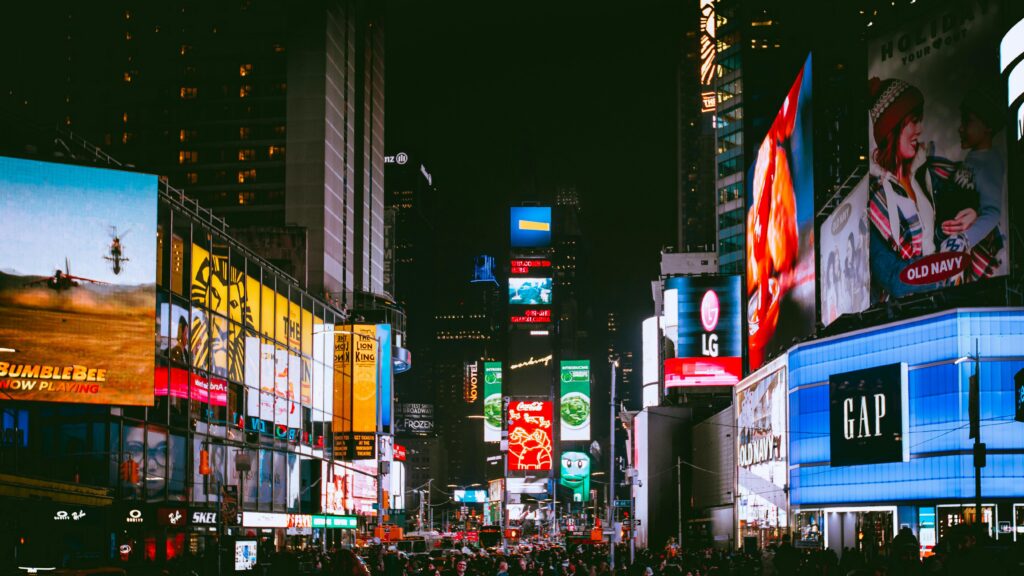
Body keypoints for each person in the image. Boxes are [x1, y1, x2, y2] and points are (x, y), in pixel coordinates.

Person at [867, 76, 964, 299]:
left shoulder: (924, 176)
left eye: (920, 120)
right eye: (913, 121)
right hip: (905, 315)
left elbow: (932, 238)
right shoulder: (875, 198)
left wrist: (960, 225)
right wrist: (942, 272)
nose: (920, 129)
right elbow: (893, 278)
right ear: (892, 128)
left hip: (942, 299)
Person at [951, 86, 1006, 280]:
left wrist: (965, 239)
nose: (961, 128)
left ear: (988, 127)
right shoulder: (973, 157)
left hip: (973, 254)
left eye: (968, 122)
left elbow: (991, 213)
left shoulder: (990, 163)